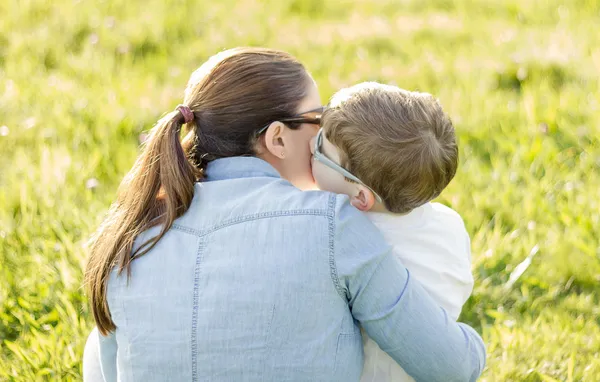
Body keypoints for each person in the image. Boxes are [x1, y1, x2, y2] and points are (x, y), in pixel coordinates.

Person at [83, 47, 486, 382]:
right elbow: (449, 367)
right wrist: (473, 342)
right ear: (277, 137)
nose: (323, 134)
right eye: (317, 120)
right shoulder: (333, 222)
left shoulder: (133, 234)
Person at [311, 82, 475, 381]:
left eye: (321, 149)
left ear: (361, 197)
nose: (312, 145)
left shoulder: (343, 237)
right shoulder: (450, 224)